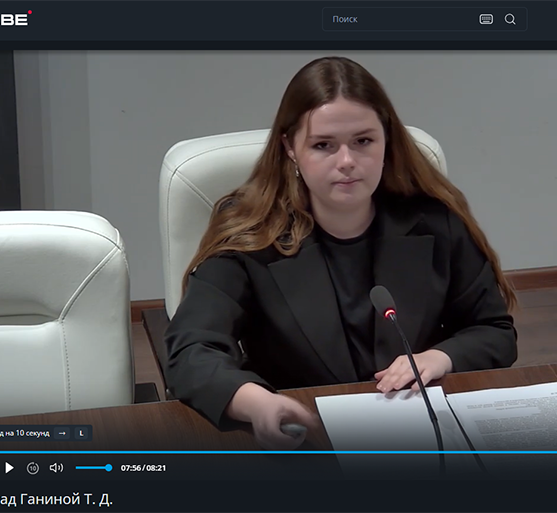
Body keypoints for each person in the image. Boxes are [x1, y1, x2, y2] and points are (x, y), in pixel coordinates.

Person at [164, 56, 518, 451]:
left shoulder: (434, 220)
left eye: (363, 141)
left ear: (386, 139)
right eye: (323, 145)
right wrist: (256, 403)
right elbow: (192, 350)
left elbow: (494, 331)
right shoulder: (250, 232)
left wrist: (440, 357)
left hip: (416, 432)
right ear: (290, 148)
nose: (347, 162)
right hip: (303, 435)